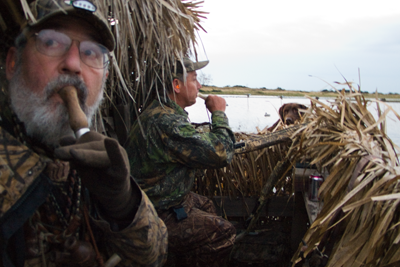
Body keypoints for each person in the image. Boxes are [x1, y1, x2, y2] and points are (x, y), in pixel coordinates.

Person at [0, 0, 167, 266]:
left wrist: (122, 204)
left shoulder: (95, 156)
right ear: (12, 63)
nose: (74, 64)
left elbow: (154, 257)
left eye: (90, 52)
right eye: (51, 42)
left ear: (105, 76)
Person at [124, 57, 236, 266]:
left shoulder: (162, 112)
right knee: (223, 232)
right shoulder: (166, 121)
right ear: (176, 85)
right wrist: (219, 114)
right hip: (154, 211)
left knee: (207, 205)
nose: (199, 86)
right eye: (194, 79)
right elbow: (221, 154)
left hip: (164, 198)